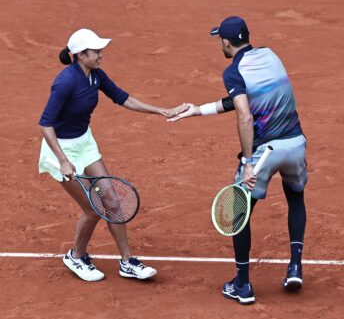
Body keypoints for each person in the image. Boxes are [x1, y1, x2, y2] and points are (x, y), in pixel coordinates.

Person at [168, 16, 308, 304]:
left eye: (220, 39)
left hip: (263, 153)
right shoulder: (270, 55)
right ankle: (295, 266)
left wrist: (247, 161)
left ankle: (243, 285)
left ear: (227, 43)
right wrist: (198, 110)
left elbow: (244, 113)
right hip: (295, 144)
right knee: (295, 199)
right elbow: (246, 98)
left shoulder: (233, 72)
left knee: (237, 213)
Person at [39, 28, 188, 282]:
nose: (101, 55)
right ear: (80, 54)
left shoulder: (95, 75)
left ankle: (127, 262)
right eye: (96, 51)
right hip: (61, 150)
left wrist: (161, 110)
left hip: (84, 143)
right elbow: (45, 123)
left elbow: (123, 98)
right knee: (93, 209)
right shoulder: (65, 82)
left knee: (111, 200)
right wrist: (63, 160)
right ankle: (76, 255)